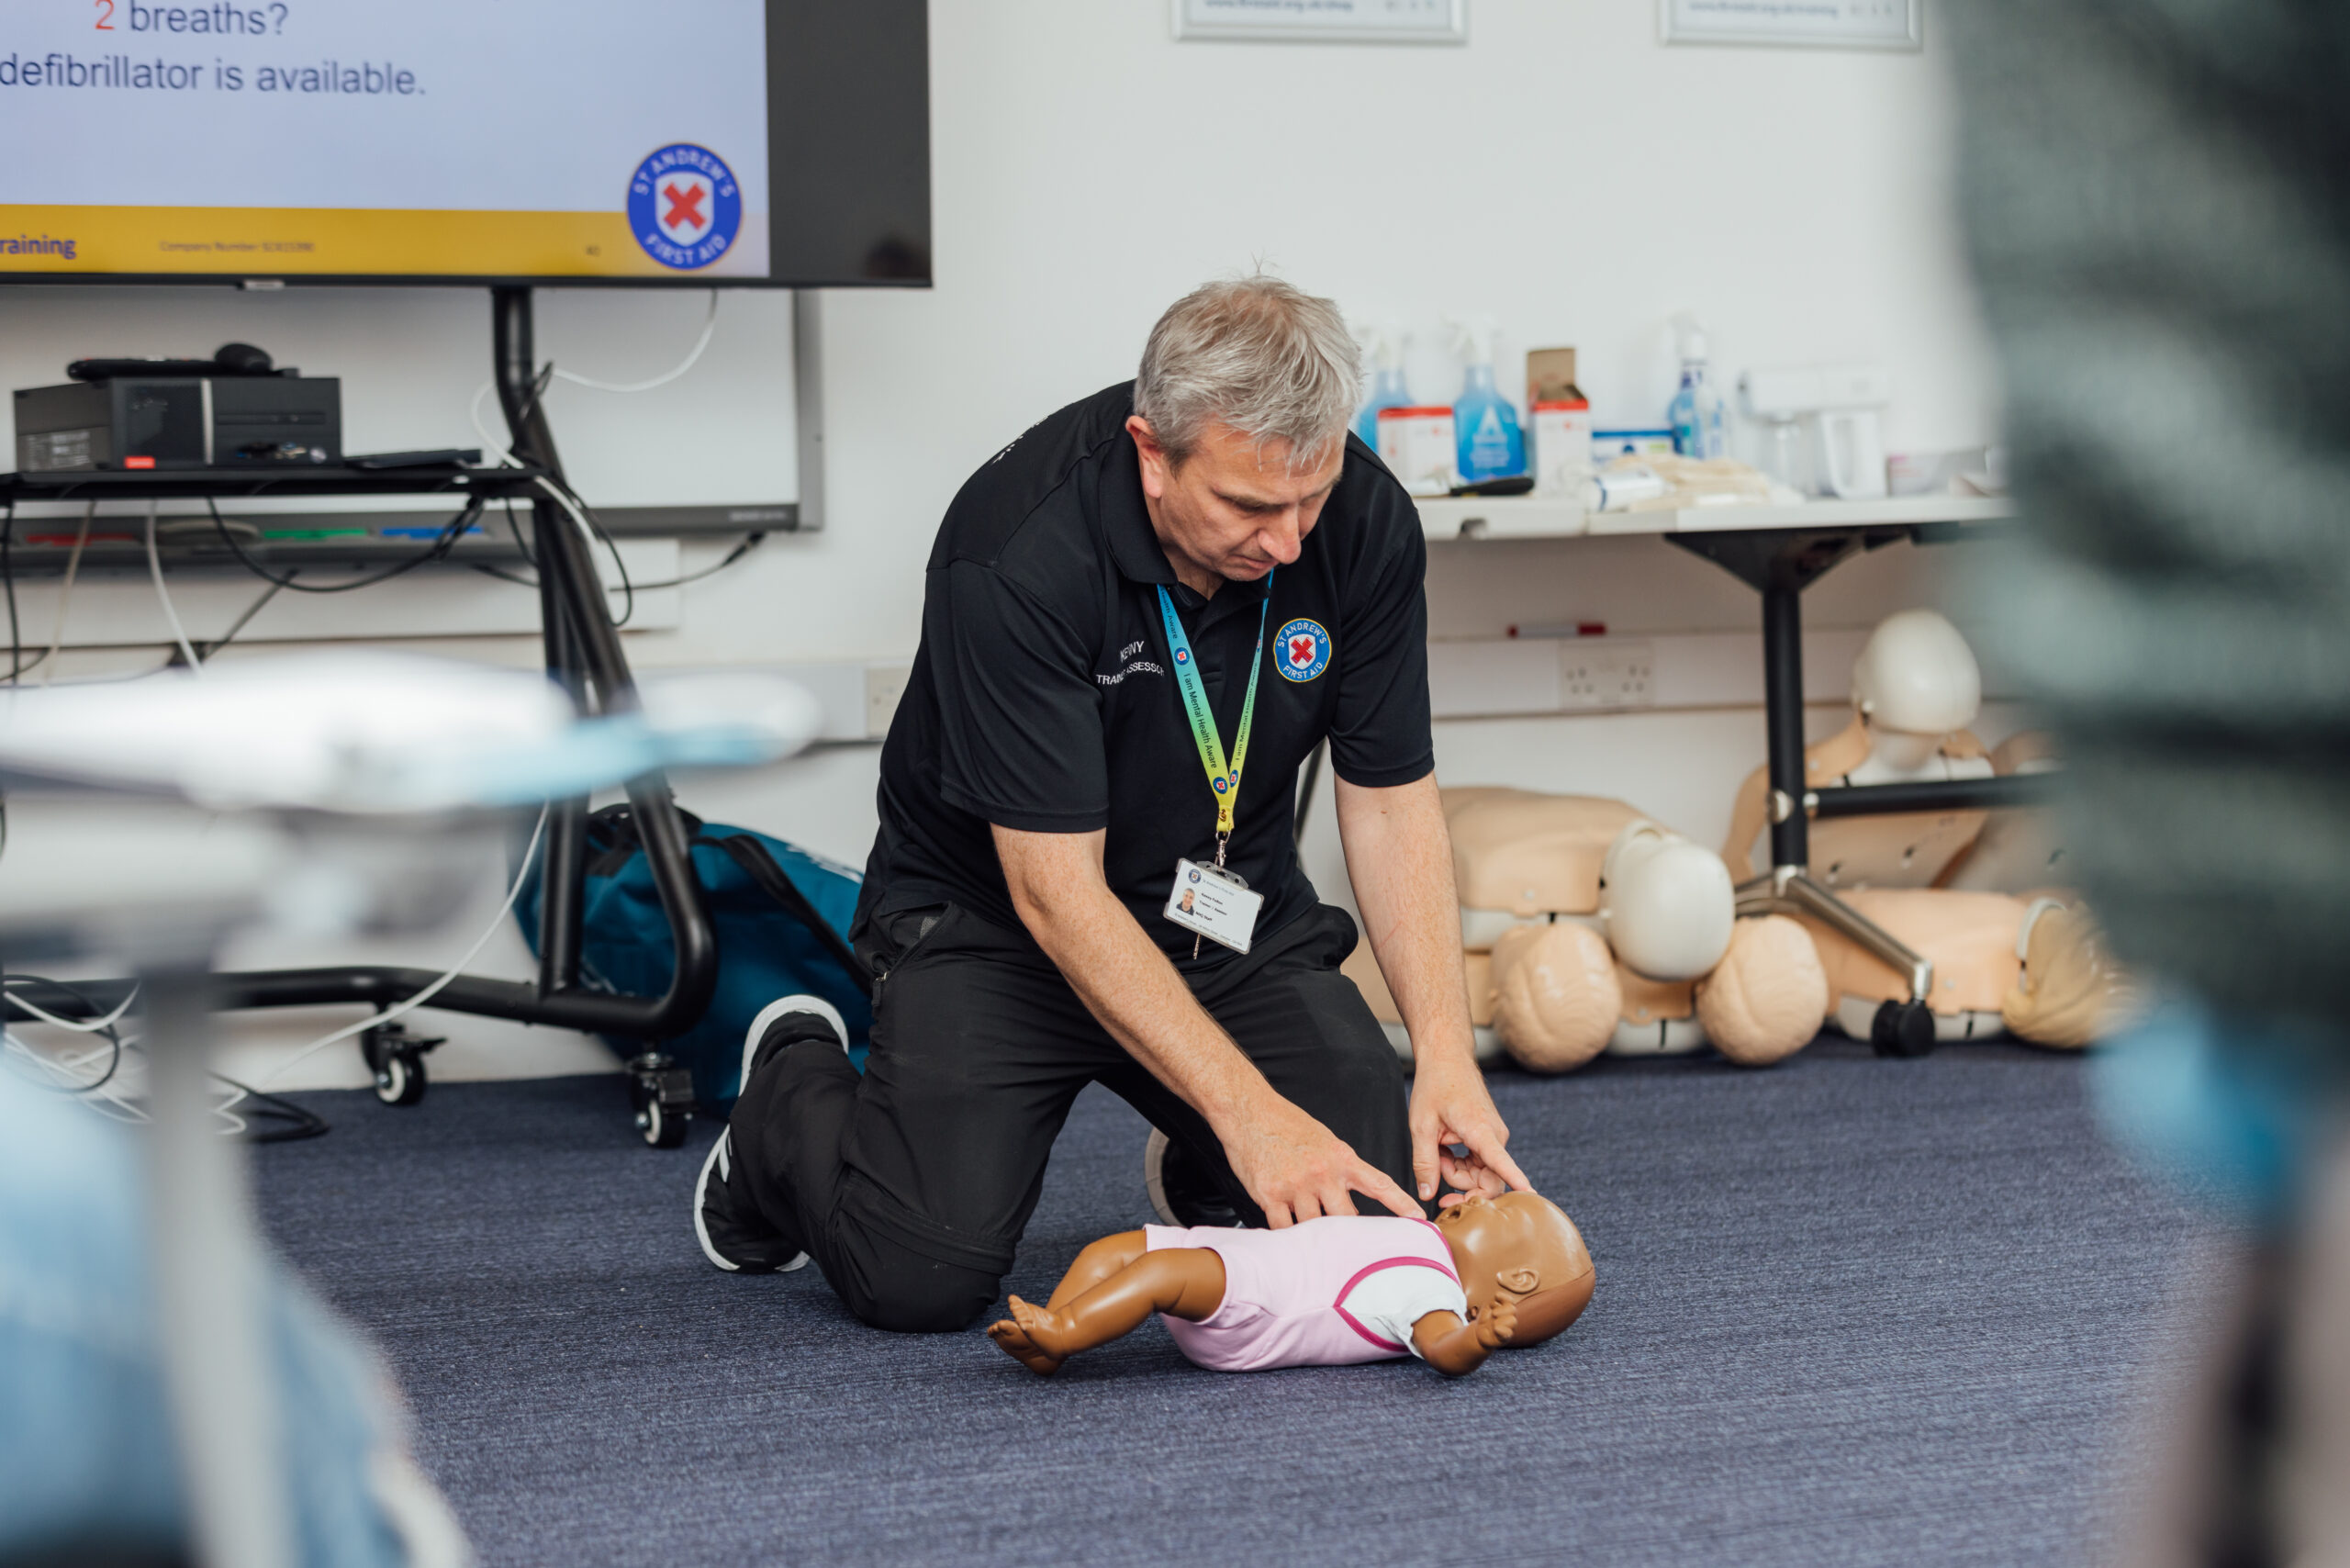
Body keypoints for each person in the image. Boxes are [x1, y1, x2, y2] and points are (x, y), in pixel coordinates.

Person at [694, 274, 1529, 1333]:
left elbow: (1389, 798)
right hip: (999, 926)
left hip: (1218, 913)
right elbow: (1056, 896)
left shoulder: (1360, 520)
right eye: (1249, 507)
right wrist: (1252, 1114)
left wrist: (1445, 1058)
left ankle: (1206, 1166)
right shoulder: (1015, 550)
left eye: (1308, 499)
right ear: (1150, 448)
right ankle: (786, 1095)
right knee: (920, 1273)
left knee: (1371, 1190)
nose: (1287, 542)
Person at [985, 1189, 1594, 1378]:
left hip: (1260, 1308)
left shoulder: (1434, 1291)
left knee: (1157, 1274)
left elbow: (1441, 1350)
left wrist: (1477, 1340)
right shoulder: (1426, 1238)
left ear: (1517, 1277)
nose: (1484, 1196)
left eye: (1503, 1209)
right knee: (1112, 1252)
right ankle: (1046, 1347)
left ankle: (1064, 1332)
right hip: (1245, 1255)